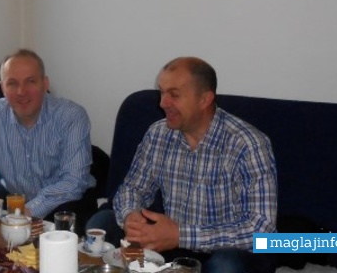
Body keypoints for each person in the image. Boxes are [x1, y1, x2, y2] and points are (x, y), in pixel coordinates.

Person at [87, 57, 277, 273]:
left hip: (230, 250)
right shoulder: (158, 133)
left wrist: (180, 235)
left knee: (226, 265)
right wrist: (132, 217)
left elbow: (262, 230)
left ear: (205, 99)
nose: (162, 103)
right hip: (173, 244)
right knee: (102, 222)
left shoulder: (247, 143)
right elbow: (133, 188)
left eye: (174, 95)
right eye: (162, 92)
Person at [0, 49, 97, 235]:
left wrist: (26, 212)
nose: (21, 92)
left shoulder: (71, 116)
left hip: (67, 203)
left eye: (30, 81)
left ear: (45, 84)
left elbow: (73, 182)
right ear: (2, 87)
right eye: (12, 83)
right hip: (14, 202)